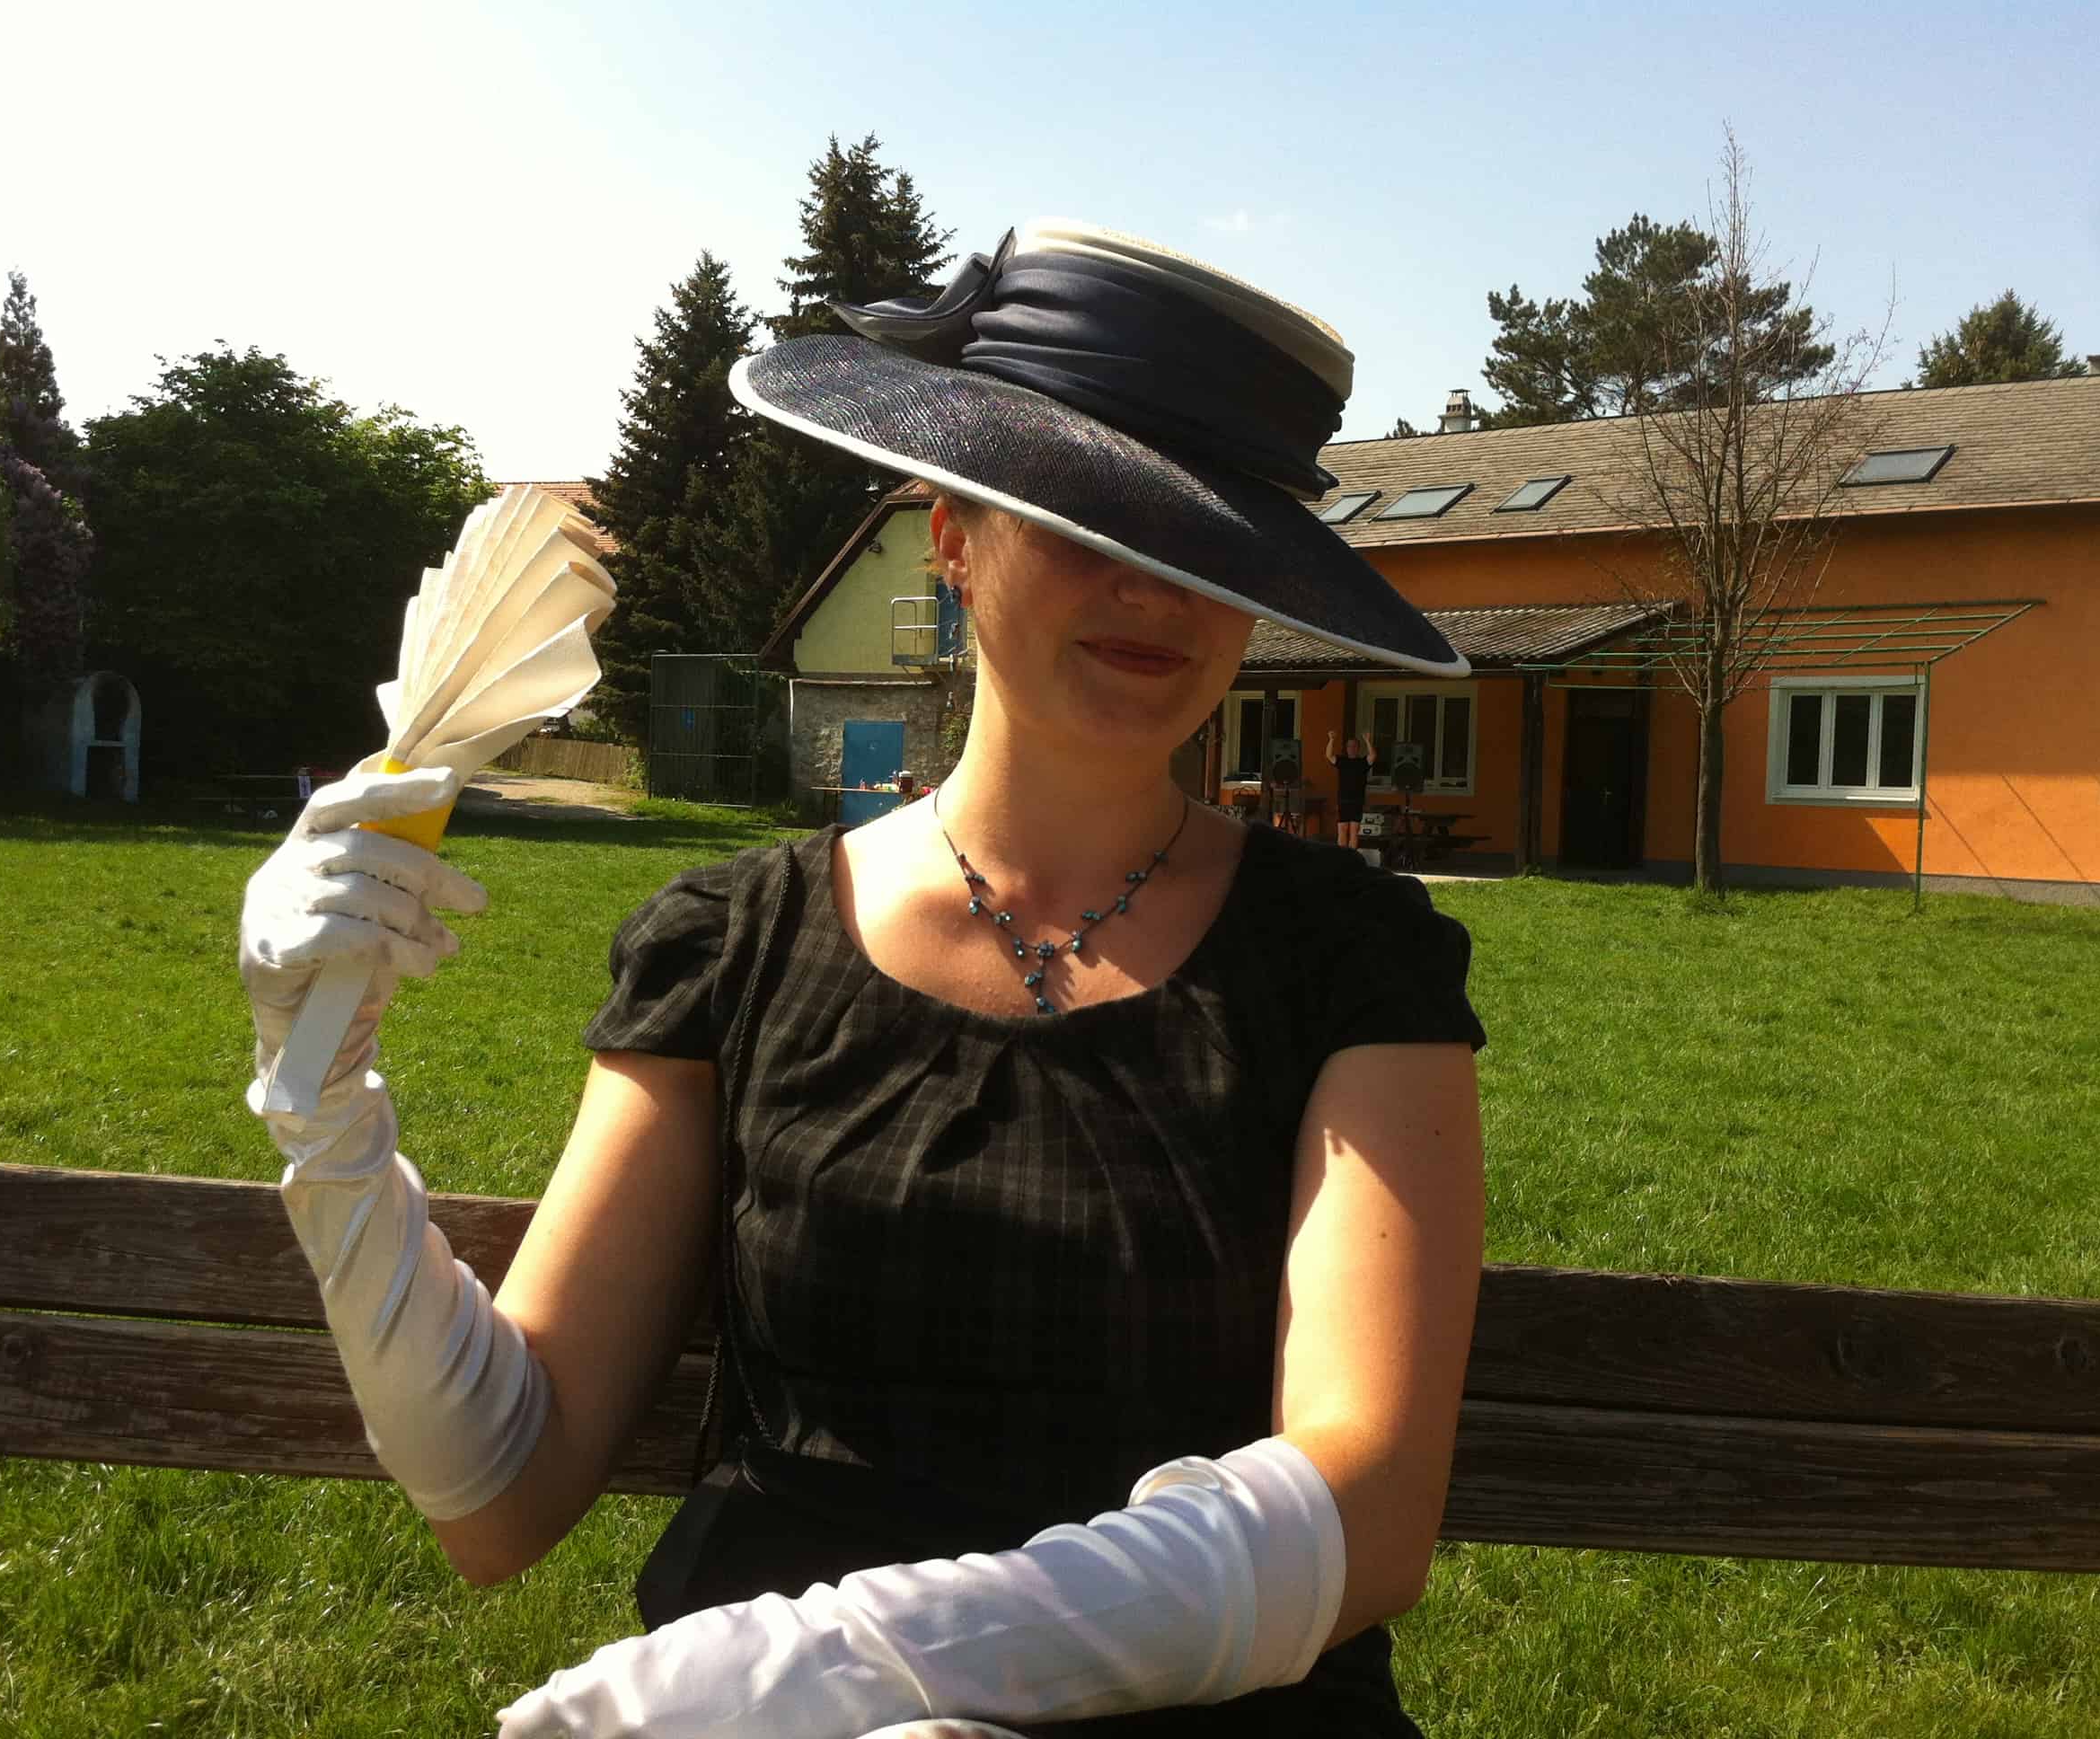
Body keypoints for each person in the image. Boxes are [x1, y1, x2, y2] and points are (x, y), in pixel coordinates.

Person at [240, 219, 1487, 1739]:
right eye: (1090, 517)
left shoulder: (1353, 960)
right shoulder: (731, 946)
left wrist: (840, 1664)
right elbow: (502, 1494)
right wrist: (325, 1110)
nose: (1153, 590)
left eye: (1208, 547)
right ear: (951, 535)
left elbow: (1369, 1509)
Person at [1324, 732, 1378, 851]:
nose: (1351, 748)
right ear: (1346, 748)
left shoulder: (1363, 762)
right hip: (1343, 800)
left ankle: (1352, 857)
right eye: (1349, 746)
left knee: (1354, 831)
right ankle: (1342, 857)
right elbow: (1329, 755)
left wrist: (1367, 740)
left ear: (1358, 748)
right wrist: (1331, 739)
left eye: (1354, 746)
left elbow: (1373, 755)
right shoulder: (1342, 761)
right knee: (1342, 830)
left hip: (1357, 801)